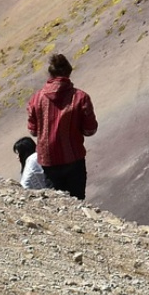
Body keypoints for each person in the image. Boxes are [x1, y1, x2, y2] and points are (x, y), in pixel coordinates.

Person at [25, 53, 96, 199]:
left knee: (58, 200)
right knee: (77, 199)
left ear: (50, 74)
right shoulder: (80, 98)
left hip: (48, 160)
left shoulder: (36, 99)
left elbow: (33, 131)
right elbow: (90, 130)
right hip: (73, 157)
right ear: (69, 72)